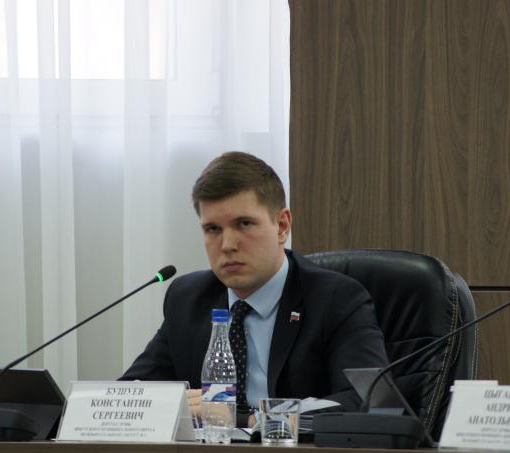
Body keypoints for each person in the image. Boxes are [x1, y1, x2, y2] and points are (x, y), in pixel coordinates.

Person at [120, 151, 388, 425]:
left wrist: (249, 420)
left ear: (282, 226)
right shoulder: (188, 298)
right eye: (213, 229)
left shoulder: (336, 299)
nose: (227, 245)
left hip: (292, 452)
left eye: (244, 224)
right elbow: (134, 392)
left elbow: (367, 401)